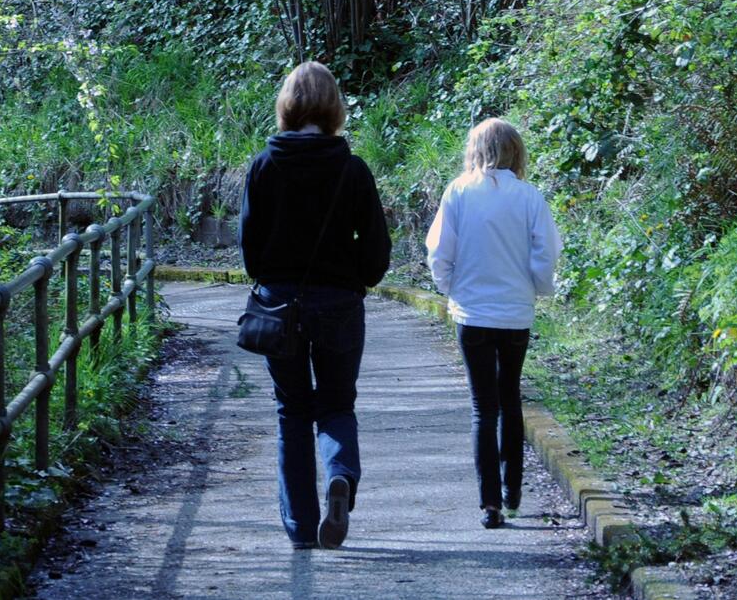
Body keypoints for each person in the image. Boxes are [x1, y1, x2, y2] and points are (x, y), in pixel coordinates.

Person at [239, 61, 391, 550]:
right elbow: (375, 249)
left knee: (292, 411)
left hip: (280, 306)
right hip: (340, 303)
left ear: (287, 105)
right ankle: (340, 475)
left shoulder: (263, 165)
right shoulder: (352, 168)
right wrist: (357, 280)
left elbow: (250, 248)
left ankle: (302, 529)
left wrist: (272, 279)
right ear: (333, 108)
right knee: (337, 403)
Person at [423, 117, 562, 529]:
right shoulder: (529, 197)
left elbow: (439, 251)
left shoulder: (459, 192)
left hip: (472, 312)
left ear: (476, 151)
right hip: (515, 312)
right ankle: (513, 491)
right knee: (510, 398)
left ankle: (490, 504)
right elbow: (546, 253)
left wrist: (451, 287)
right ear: (516, 152)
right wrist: (537, 289)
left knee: (483, 407)